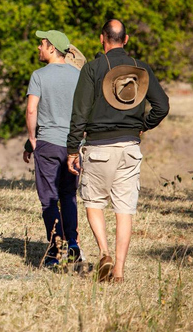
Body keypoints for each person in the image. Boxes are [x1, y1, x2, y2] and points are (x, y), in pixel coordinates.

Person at [66, 19, 169, 282]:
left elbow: (79, 113)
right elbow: (162, 106)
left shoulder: (91, 68)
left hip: (98, 146)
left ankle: (104, 252)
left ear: (102, 39)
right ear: (126, 39)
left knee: (94, 202)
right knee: (125, 210)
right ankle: (120, 272)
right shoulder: (141, 69)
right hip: (130, 147)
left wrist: (72, 149)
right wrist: (141, 126)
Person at [24, 30, 82, 267]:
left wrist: (32, 139)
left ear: (51, 49)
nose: (38, 48)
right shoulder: (79, 75)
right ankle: (73, 246)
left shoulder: (38, 75)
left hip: (47, 142)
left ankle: (54, 250)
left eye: (41, 44)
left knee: (48, 199)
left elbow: (31, 110)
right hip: (72, 145)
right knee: (68, 196)